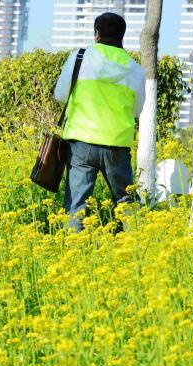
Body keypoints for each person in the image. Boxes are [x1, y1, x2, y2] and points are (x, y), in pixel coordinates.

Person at [54, 12, 145, 232]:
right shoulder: (135, 69)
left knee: (76, 204)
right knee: (126, 201)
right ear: (122, 36)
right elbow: (137, 110)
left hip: (81, 141)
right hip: (116, 144)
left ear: (96, 33)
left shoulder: (79, 57)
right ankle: (135, 244)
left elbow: (60, 95)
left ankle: (74, 247)